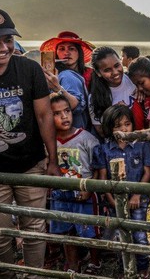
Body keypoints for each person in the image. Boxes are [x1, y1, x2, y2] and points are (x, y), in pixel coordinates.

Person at [0, 7, 59, 278]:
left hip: (30, 165)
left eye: (9, 39)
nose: (4, 47)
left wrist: (52, 159)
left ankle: (35, 276)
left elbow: (44, 114)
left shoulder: (29, 69)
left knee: (34, 231)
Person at [92, 105, 150, 278]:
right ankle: (124, 267)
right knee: (119, 236)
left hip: (138, 199)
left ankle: (142, 266)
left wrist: (136, 194)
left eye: (127, 124)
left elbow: (147, 173)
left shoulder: (142, 145)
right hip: (114, 200)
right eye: (118, 126)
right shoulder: (104, 149)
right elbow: (103, 179)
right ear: (109, 128)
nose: (123, 129)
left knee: (139, 234)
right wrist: (112, 201)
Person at [49, 94, 101, 274]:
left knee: (89, 230)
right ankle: (72, 264)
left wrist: (91, 187)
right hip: (60, 193)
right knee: (66, 231)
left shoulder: (86, 138)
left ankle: (95, 262)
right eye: (57, 113)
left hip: (84, 193)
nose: (64, 116)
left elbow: (98, 167)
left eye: (67, 111)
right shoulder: (49, 142)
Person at [89, 46, 145, 137]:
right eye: (107, 70)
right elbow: (101, 131)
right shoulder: (95, 98)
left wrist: (142, 89)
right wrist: (116, 113)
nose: (115, 72)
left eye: (117, 65)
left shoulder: (132, 79)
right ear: (98, 73)